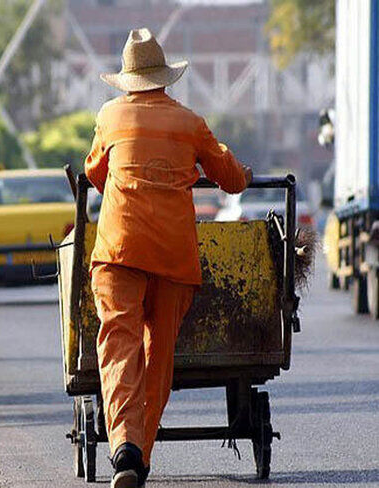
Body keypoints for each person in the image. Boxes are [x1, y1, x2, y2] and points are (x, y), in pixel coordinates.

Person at [85, 28, 252, 488]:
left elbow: (94, 171)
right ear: (164, 79)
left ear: (127, 79)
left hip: (119, 251)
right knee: (158, 356)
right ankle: (142, 454)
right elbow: (232, 179)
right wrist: (236, 169)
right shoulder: (189, 122)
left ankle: (125, 449)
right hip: (173, 257)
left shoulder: (110, 116)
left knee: (119, 347)